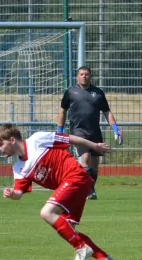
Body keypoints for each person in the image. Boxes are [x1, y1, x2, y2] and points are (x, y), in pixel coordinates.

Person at [0, 123, 115, 260]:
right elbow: (19, 193)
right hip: (75, 185)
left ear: (12, 140)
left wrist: (94, 146)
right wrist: (12, 193)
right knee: (69, 229)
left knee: (47, 212)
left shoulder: (36, 140)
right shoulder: (18, 168)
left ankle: (81, 247)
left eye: (1, 144)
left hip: (75, 176)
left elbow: (70, 138)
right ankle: (103, 259)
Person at [58, 66, 123, 200]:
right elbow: (62, 110)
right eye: (81, 74)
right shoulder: (70, 92)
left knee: (94, 166)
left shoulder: (98, 93)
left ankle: (90, 188)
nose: (84, 76)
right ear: (77, 77)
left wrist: (115, 128)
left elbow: (107, 112)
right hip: (78, 132)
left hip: (95, 133)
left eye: (86, 74)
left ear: (90, 76)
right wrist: (60, 130)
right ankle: (88, 190)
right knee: (85, 159)